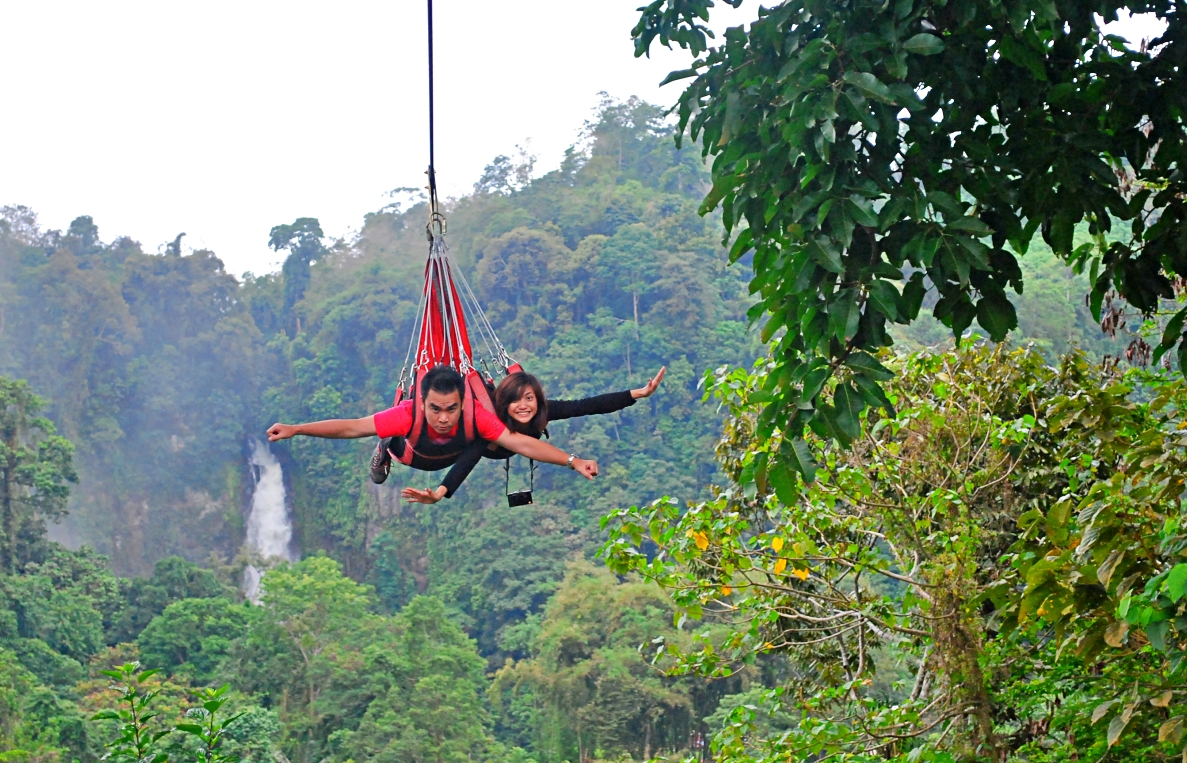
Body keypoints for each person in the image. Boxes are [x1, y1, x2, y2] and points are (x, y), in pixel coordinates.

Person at [266, 365, 599, 493]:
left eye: (451, 408)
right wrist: (297, 429)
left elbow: (521, 444)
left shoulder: (475, 414)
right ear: (422, 401)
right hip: (409, 451)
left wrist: (574, 460)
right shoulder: (407, 414)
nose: (443, 417)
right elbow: (352, 427)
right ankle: (384, 448)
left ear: (462, 402)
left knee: (480, 437)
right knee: (385, 431)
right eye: (435, 409)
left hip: (447, 457)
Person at [400, 366, 665, 504]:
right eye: (515, 400)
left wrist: (637, 394)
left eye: (529, 398)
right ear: (504, 403)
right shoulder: (489, 426)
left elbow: (587, 405)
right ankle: (387, 449)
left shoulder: (543, 412)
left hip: (486, 445)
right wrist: (440, 492)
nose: (523, 406)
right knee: (422, 449)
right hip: (453, 441)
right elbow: (468, 459)